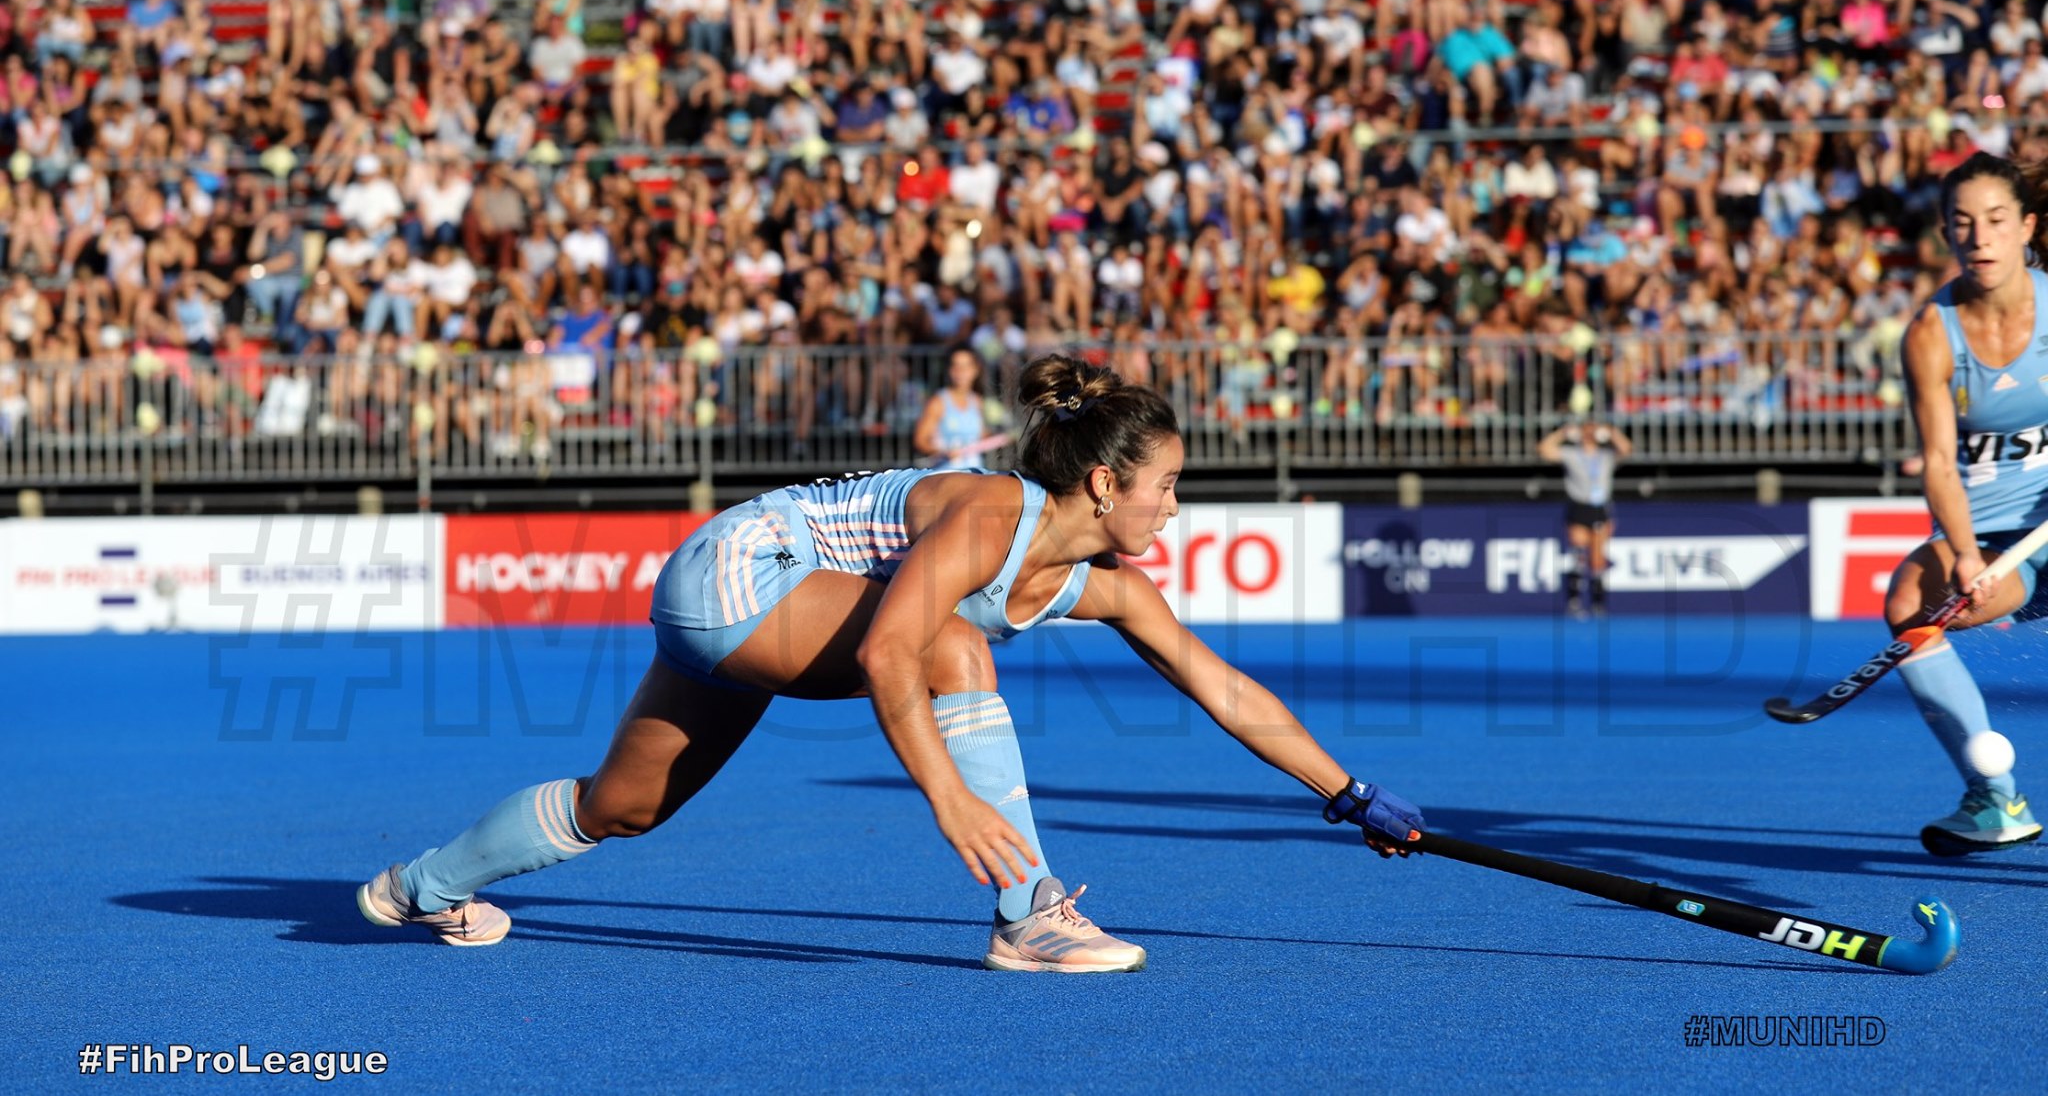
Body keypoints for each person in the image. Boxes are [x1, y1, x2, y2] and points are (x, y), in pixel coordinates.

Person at [356, 355, 1425, 969]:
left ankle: (418, 887)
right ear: (1104, 484)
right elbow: (885, 649)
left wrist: (1347, 793)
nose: (1174, 506)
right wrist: (951, 800)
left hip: (749, 607)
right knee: (945, 637)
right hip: (740, 569)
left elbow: (1224, 690)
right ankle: (1029, 914)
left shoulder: (1107, 586)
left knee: (623, 806)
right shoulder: (989, 511)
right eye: (1166, 486)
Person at [1886, 152, 2044, 856]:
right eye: (1963, 222)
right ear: (1947, 232)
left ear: (2026, 227)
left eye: (1997, 220)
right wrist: (1964, 553)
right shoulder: (1931, 332)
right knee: (1908, 602)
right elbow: (1939, 462)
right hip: (1990, 536)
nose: (1980, 237)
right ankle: (1995, 798)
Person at [1538, 419, 1633, 618]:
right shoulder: (1571, 454)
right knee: (1578, 555)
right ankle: (1574, 602)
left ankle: (1598, 603)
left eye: (1592, 430)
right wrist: (1563, 433)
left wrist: (1612, 432)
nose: (1589, 434)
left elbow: (1626, 449)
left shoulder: (1606, 456)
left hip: (1600, 508)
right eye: (1585, 431)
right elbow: (1544, 449)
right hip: (1579, 507)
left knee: (1597, 559)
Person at [913, 345, 1004, 469]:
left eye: (966, 366)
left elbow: (980, 436)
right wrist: (943, 452)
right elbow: (921, 440)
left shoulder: (978, 402)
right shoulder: (938, 402)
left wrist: (1000, 437)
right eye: (956, 366)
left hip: (974, 472)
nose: (960, 371)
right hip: (945, 473)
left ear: (976, 370)